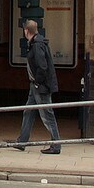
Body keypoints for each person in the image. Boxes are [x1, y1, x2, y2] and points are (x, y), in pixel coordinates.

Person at [13, 17, 62, 153]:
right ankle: (22, 141)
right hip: (35, 85)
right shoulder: (36, 42)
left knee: (47, 116)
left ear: (26, 31)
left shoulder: (37, 45)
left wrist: (37, 82)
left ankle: (56, 145)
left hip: (40, 86)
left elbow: (42, 66)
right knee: (28, 112)